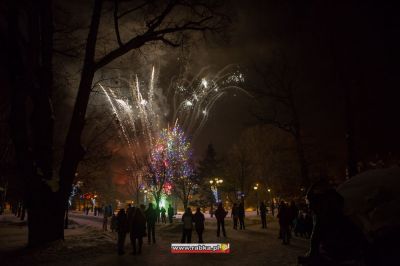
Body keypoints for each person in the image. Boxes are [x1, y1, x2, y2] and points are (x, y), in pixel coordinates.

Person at [298, 181, 366, 265]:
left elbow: (315, 237)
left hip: (334, 250)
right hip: (347, 249)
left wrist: (313, 254)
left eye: (309, 204)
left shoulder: (322, 213)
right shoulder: (336, 203)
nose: (309, 207)